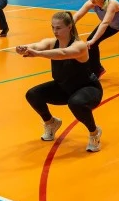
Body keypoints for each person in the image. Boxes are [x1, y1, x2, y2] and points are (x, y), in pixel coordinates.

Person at [18, 11, 103, 152]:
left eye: (58, 28)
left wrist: (38, 54)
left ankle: (94, 133)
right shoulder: (51, 42)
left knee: (76, 103)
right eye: (53, 27)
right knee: (32, 94)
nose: (55, 31)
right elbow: (38, 45)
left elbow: (63, 54)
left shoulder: (79, 45)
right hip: (64, 88)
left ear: (69, 27)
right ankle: (51, 123)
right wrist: (24, 48)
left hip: (88, 89)